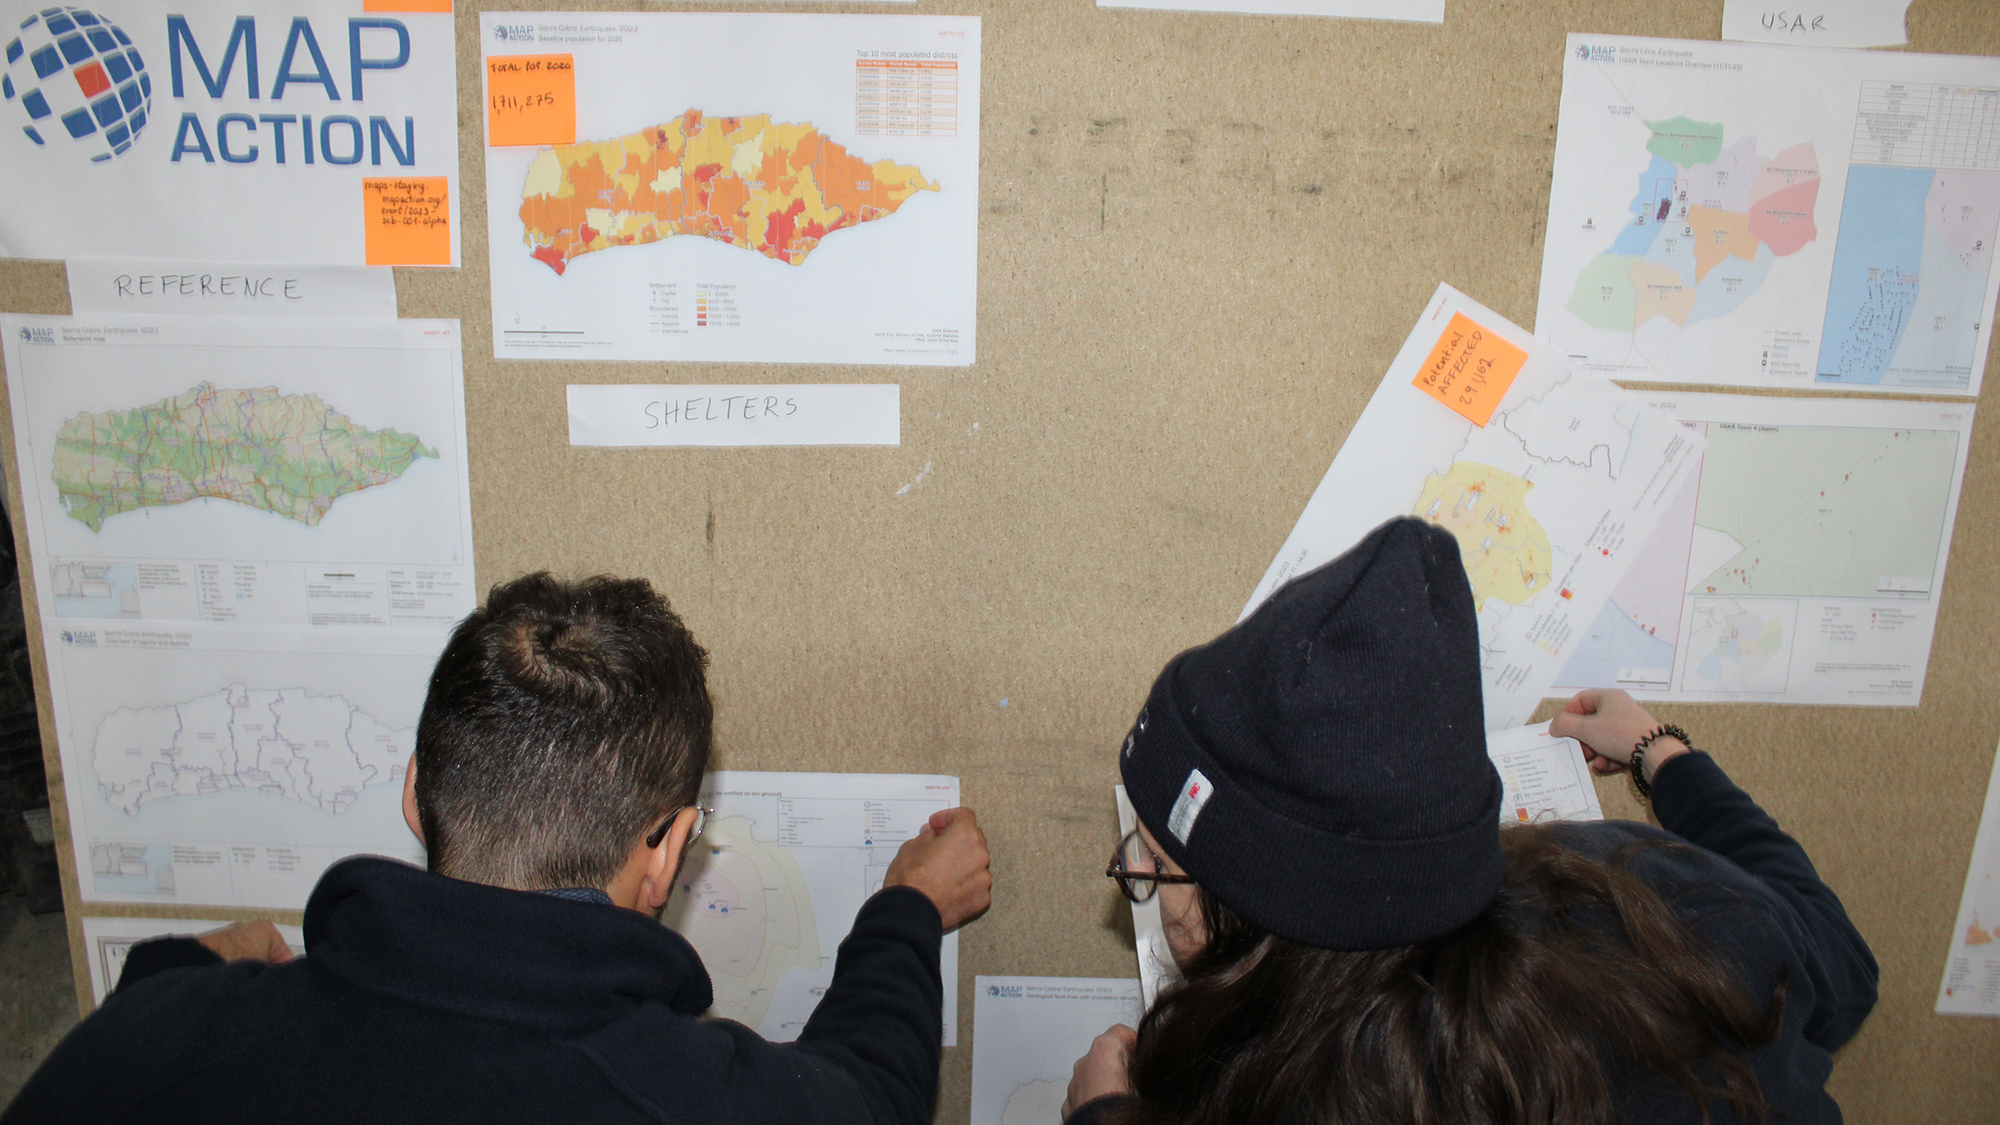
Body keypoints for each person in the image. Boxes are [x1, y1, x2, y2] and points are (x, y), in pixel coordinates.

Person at [4, 573, 991, 1125]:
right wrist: (905, 913)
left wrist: (179, 973)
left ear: (411, 793)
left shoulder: (148, 1046)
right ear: (666, 852)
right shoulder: (687, 1098)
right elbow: (870, 1094)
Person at [1063, 517, 1878, 1125]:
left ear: (1266, 915)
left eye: (1157, 867)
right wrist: (1662, 755)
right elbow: (1842, 968)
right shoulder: (1638, 886)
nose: (1137, 878)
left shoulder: (1303, 1094)